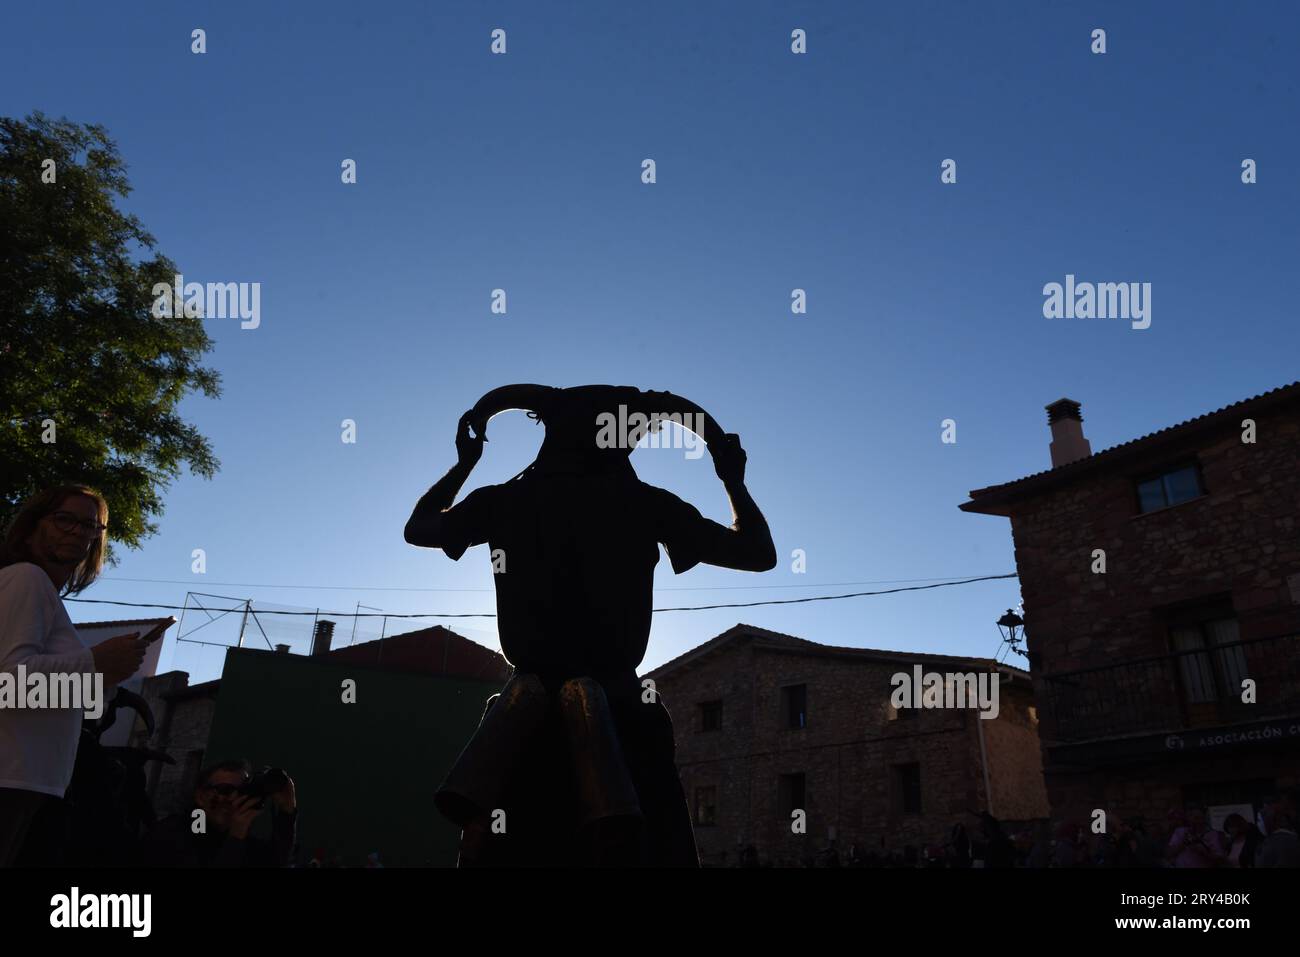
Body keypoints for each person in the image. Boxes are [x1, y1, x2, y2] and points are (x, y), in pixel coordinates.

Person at [406, 386, 776, 867]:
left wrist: (465, 464)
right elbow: (757, 553)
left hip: (524, 719)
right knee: (653, 840)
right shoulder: (645, 503)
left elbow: (420, 527)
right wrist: (732, 479)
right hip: (622, 713)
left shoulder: (505, 500)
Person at [0, 485, 148, 867]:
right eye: (65, 519)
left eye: (90, 525)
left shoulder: (44, 595)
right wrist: (96, 662)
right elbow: (9, 683)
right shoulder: (27, 579)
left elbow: (39, 692)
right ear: (32, 525)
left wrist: (105, 676)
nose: (77, 531)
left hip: (30, 784)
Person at [139, 760, 297, 867]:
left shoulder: (236, 836)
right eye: (225, 790)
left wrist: (287, 812)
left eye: (241, 791)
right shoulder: (175, 833)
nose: (234, 798)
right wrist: (235, 837)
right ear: (201, 797)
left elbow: (274, 862)